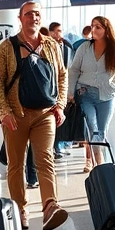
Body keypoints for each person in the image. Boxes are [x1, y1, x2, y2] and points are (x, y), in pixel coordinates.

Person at [0, 1, 70, 230]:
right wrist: (4, 113)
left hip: (45, 114)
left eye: (37, 14)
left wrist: (60, 105)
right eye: (29, 14)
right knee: (15, 164)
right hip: (15, 116)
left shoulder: (52, 46)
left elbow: (62, 77)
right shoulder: (6, 48)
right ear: (20, 18)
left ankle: (50, 206)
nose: (33, 18)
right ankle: (20, 207)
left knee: (45, 159)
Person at [68, 16, 115, 173]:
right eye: (93, 26)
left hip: (106, 96)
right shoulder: (84, 47)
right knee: (93, 129)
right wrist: (70, 92)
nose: (94, 30)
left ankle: (100, 165)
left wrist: (113, 87)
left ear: (107, 30)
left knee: (101, 131)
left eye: (98, 27)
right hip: (85, 93)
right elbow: (73, 69)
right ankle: (99, 165)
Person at [48, 21, 73, 159]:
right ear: (51, 32)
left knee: (60, 118)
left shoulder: (67, 46)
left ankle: (58, 146)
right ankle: (52, 147)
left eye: (61, 30)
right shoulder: (46, 46)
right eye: (57, 31)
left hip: (62, 88)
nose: (59, 34)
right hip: (50, 89)